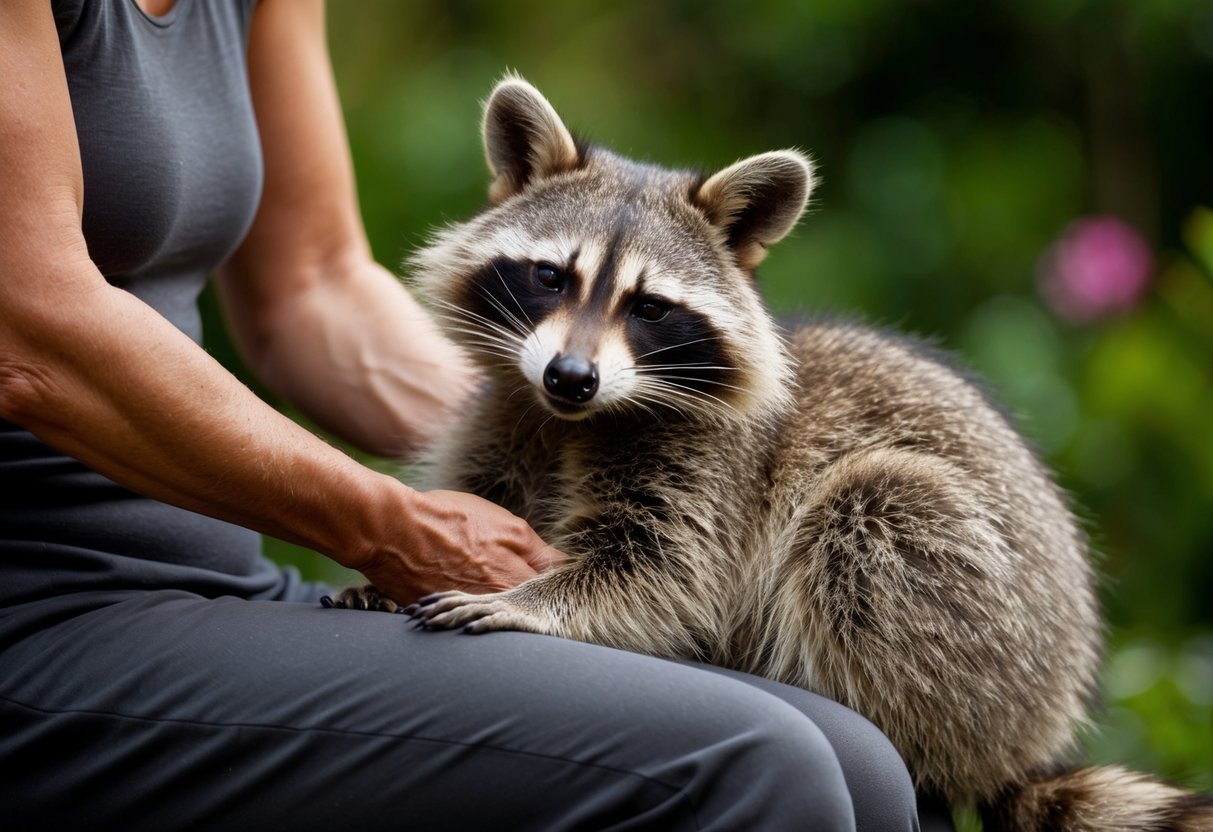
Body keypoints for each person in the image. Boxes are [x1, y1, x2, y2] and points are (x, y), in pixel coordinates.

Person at [0, 1, 934, 829]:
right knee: (758, 767)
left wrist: (548, 429)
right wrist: (388, 527)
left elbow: (311, 287)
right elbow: (29, 338)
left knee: (859, 764)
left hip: (211, 585)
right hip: (43, 613)